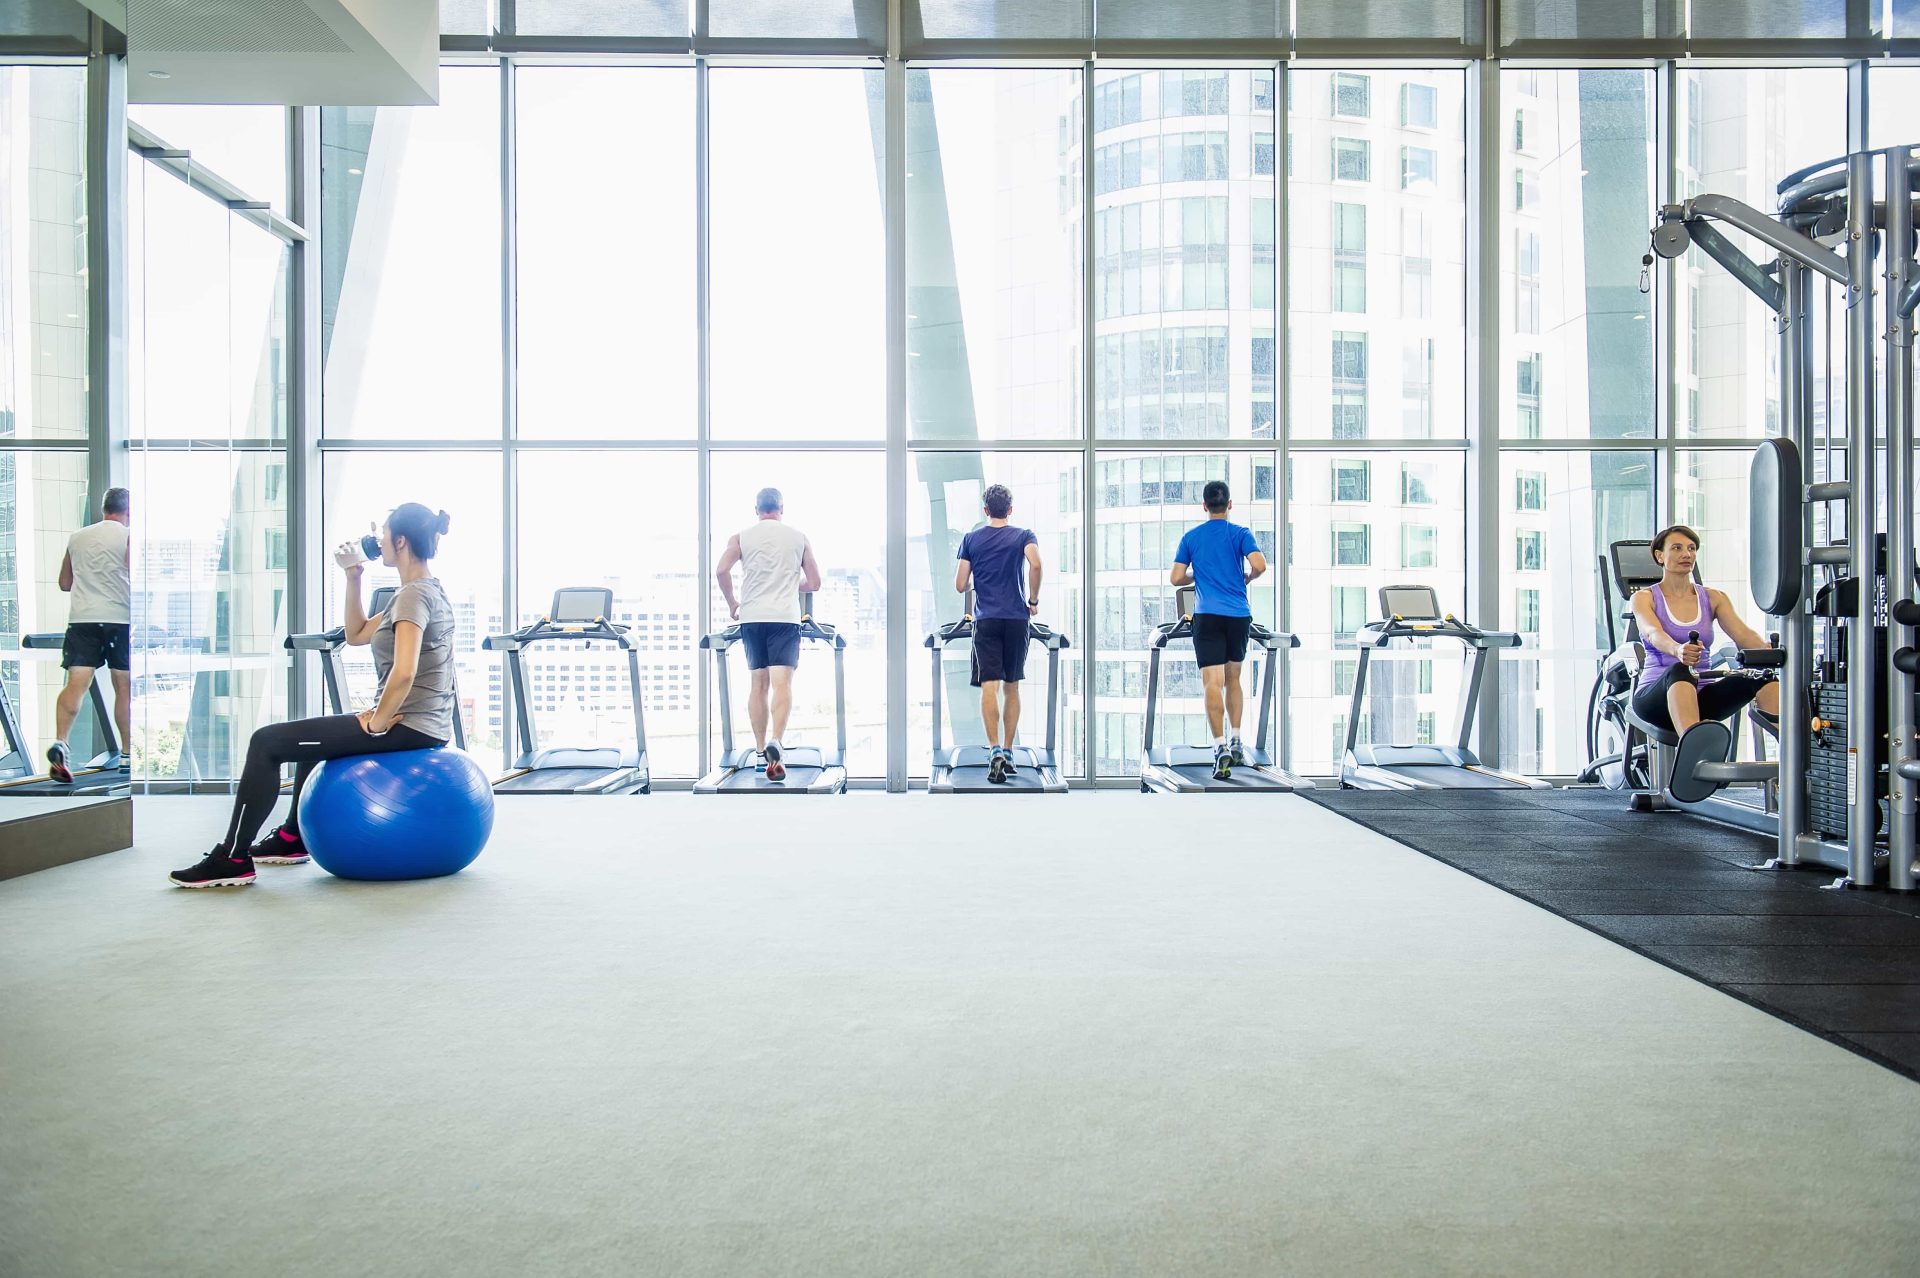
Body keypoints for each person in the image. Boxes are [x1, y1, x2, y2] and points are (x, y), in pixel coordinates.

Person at [170, 504, 457, 888]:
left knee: (266, 743)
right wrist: (354, 576)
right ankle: (292, 838)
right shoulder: (417, 591)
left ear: (400, 541)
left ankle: (233, 857)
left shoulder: (412, 597)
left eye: (384, 532)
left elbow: (405, 671)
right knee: (313, 738)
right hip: (424, 723)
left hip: (411, 725)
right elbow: (356, 634)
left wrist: (376, 722)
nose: (379, 539)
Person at [1629, 524, 1782, 794]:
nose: (1686, 553)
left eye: (1691, 548)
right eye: (1676, 548)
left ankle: (1801, 754)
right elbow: (1652, 633)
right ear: (1659, 556)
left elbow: (1743, 634)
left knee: (1763, 677)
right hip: (1656, 699)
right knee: (1681, 670)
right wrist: (1678, 650)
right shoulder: (1644, 598)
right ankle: (1692, 760)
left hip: (1702, 699)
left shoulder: (1713, 597)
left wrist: (1769, 652)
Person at [715, 488, 821, 783]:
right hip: (785, 618)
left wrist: (733, 604)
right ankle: (777, 739)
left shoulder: (741, 537)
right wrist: (790, 584)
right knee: (782, 683)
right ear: (781, 508)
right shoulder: (798, 537)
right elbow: (814, 582)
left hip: (752, 618)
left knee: (757, 684)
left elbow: (721, 570)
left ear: (756, 509)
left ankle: (762, 754)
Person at [1171, 479, 1268, 781]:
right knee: (1233, 678)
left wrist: (1197, 573)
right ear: (1229, 505)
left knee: (1212, 682)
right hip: (1239, 615)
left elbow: (1176, 578)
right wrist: (1247, 578)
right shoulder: (1240, 533)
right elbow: (1260, 564)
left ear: (1204, 506)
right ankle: (1237, 738)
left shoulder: (1192, 537)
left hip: (1207, 615)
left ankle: (1220, 746)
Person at [954, 483, 1043, 785]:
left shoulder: (971, 539)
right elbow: (1036, 564)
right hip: (1017, 619)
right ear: (1011, 509)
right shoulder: (1023, 536)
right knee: (1012, 686)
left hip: (987, 619)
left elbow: (960, 584)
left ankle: (994, 751)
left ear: (986, 510)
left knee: (989, 686)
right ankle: (1009, 749)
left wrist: (976, 582)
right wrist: (1033, 600)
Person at [49, 487, 133, 784]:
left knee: (76, 685)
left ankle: (61, 741)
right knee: (122, 687)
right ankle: (126, 754)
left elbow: (64, 582)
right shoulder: (127, 536)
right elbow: (135, 573)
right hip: (118, 620)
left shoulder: (78, 537)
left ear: (103, 509)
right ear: (128, 511)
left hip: (82, 620)